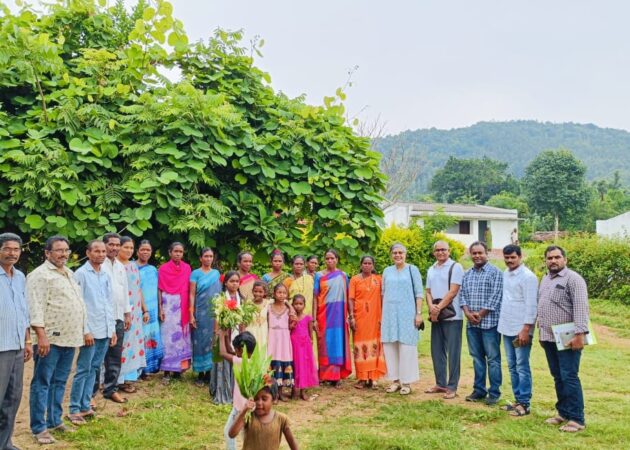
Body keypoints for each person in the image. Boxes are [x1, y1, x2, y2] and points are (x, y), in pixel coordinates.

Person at [27, 236, 87, 445]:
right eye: (59, 250)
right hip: (50, 340)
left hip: (70, 339)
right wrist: (41, 336)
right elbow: (35, 308)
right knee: (42, 383)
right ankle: (39, 427)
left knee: (60, 382)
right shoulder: (40, 275)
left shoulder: (68, 273)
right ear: (47, 253)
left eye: (66, 250)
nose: (64, 254)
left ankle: (54, 420)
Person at [537, 245, 589, 433]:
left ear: (565, 260)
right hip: (549, 337)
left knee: (569, 376)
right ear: (546, 260)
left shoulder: (574, 279)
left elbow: (581, 308)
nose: (553, 261)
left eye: (557, 257)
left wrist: (580, 334)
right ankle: (563, 412)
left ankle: (577, 419)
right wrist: (541, 333)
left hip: (568, 337)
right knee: (558, 376)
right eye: (550, 258)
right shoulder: (545, 279)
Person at [68, 240, 117, 426]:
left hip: (104, 329)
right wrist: (85, 330)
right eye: (97, 251)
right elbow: (78, 305)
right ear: (88, 253)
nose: (101, 254)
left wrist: (112, 329)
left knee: (95, 369)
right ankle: (74, 408)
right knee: (83, 369)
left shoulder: (104, 274)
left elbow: (108, 303)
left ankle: (85, 404)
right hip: (90, 331)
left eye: (103, 251)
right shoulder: (80, 274)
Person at [459, 241, 504, 406]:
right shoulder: (467, 274)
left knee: (492, 359)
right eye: (474, 253)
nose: (477, 256)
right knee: (477, 358)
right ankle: (479, 390)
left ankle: (494, 393)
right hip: (472, 324)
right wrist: (467, 313)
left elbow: (496, 297)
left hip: (490, 324)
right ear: (470, 254)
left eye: (480, 253)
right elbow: (462, 295)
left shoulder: (496, 273)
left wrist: (480, 314)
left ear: (487, 253)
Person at [498, 244, 538, 416]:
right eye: (506, 258)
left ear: (520, 257)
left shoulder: (528, 277)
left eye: (513, 257)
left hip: (521, 328)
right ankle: (517, 400)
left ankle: (525, 403)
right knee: (512, 365)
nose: (509, 261)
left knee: (522, 365)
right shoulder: (505, 274)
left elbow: (531, 305)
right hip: (506, 326)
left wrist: (526, 329)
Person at [0, 232, 31, 450]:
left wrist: (28, 340)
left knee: (13, 397)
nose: (12, 253)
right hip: (1, 346)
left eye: (16, 249)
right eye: (7, 249)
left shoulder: (20, 277)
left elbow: (23, 311)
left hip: (18, 345)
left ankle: (5, 442)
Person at [381, 243, 423, 395]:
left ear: (405, 254)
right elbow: (382, 293)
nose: (398, 255)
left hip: (407, 314)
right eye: (395, 253)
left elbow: (419, 293)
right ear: (391, 255)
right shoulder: (387, 271)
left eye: (400, 252)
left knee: (407, 347)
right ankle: (395, 381)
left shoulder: (413, 269)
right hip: (389, 315)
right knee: (390, 347)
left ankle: (407, 382)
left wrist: (418, 313)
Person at [424, 241, 465, 399]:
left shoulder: (456, 267)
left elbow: (453, 291)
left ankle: (452, 386)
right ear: (434, 252)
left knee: (453, 352)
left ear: (449, 251)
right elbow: (427, 291)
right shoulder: (431, 269)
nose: (440, 252)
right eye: (437, 250)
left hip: (452, 316)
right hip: (436, 315)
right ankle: (440, 383)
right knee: (437, 350)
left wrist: (438, 308)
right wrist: (431, 308)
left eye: (443, 250)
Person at [99, 232, 131, 404]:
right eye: (111, 244)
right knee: (97, 357)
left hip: (118, 316)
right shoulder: (98, 265)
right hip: (102, 318)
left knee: (115, 356)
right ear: (104, 245)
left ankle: (111, 389)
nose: (115, 248)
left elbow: (124, 291)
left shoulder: (119, 266)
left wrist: (127, 313)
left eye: (117, 245)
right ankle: (90, 395)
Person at [314, 249, 352, 386]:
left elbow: (348, 297)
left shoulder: (343, 276)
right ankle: (324, 375)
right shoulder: (319, 276)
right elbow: (315, 297)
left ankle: (336, 376)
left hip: (339, 315)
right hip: (323, 313)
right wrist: (314, 317)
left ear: (337, 259)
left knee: (337, 342)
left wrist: (349, 315)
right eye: (327, 258)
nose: (330, 261)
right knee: (325, 343)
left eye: (332, 258)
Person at [348, 255, 386, 389]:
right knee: (359, 345)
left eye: (370, 263)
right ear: (361, 264)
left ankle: (374, 378)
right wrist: (351, 316)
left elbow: (383, 298)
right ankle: (362, 378)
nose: (367, 265)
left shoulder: (378, 280)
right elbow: (351, 299)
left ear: (373, 265)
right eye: (365, 263)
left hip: (375, 317)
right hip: (359, 317)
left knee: (375, 344)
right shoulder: (354, 280)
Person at [117, 237, 148, 390]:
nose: (128, 251)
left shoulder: (134, 266)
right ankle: (118, 379)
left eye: (131, 248)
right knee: (122, 344)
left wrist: (145, 309)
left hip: (135, 311)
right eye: (125, 247)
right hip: (122, 311)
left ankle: (129, 377)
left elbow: (138, 289)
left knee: (134, 343)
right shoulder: (114, 267)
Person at [158, 242, 192, 383]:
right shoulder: (163, 269)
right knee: (168, 338)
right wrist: (160, 308)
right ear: (170, 252)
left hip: (182, 307)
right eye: (175, 251)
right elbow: (160, 289)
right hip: (168, 307)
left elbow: (189, 290)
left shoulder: (187, 268)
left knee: (182, 340)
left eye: (180, 251)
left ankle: (178, 370)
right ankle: (166, 371)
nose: (178, 254)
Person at [218, 330, 257, 450]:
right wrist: (226, 336)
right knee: (246, 436)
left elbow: (223, 353)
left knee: (229, 432)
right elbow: (230, 351)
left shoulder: (240, 362)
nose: (235, 351)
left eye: (236, 350)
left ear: (241, 350)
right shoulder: (253, 361)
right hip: (249, 407)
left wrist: (221, 335)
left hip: (240, 408)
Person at [228, 386, 298, 450]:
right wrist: (244, 411)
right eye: (256, 399)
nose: (259, 402)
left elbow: (291, 441)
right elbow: (231, 434)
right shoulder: (248, 416)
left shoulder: (281, 419)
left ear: (274, 399)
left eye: (264, 399)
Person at [189, 247, 222, 386]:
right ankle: (200, 374)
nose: (208, 259)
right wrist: (191, 314)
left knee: (212, 341)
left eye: (210, 256)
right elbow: (192, 294)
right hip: (200, 312)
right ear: (201, 258)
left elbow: (219, 294)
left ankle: (209, 373)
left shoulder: (216, 273)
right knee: (200, 342)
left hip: (213, 313)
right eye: (206, 256)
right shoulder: (195, 273)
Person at [210, 271, 241, 404]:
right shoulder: (221, 298)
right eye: (231, 281)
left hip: (237, 334)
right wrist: (217, 333)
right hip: (224, 333)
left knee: (235, 361)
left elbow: (243, 319)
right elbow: (217, 317)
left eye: (237, 281)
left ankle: (234, 391)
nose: (234, 284)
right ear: (225, 283)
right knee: (223, 360)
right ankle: (222, 390)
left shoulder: (241, 298)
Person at [136, 240, 163, 376]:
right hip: (137, 308)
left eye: (148, 250)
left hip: (152, 309)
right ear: (137, 251)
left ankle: (148, 368)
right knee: (138, 337)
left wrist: (159, 307)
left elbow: (158, 289)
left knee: (150, 336)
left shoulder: (153, 270)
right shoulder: (131, 267)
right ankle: (137, 369)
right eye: (143, 249)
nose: (145, 252)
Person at [267, 284, 294, 401]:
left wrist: (288, 304)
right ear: (274, 293)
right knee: (272, 362)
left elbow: (293, 316)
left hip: (283, 338)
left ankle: (281, 392)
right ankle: (273, 394)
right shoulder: (268, 307)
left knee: (283, 362)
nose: (281, 295)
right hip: (272, 337)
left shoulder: (288, 309)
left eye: (284, 293)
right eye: (279, 292)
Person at [290, 294, 319, 401]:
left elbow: (310, 331)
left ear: (304, 305)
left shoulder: (308, 317)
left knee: (304, 366)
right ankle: (294, 389)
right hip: (294, 344)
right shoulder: (291, 317)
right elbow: (289, 329)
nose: (298, 306)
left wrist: (311, 340)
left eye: (300, 304)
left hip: (305, 344)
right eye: (296, 304)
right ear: (292, 305)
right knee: (295, 365)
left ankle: (303, 390)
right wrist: (292, 323)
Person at [246, 281, 271, 350]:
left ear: (265, 292)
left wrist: (291, 308)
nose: (257, 294)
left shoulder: (269, 303)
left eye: (260, 292)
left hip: (264, 333)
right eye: (255, 291)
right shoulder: (248, 304)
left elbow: (283, 301)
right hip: (251, 331)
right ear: (252, 291)